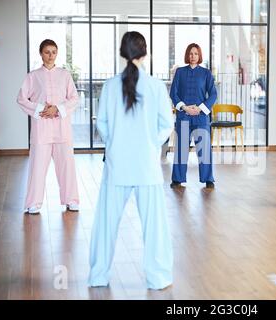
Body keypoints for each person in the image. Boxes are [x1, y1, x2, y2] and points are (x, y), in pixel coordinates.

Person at [88, 31, 174, 290]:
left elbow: (101, 123)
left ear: (122, 53)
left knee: (106, 223)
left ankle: (98, 276)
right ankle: (158, 278)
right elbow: (166, 125)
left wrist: (115, 143)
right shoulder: (156, 86)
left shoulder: (110, 86)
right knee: (154, 225)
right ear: (144, 53)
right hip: (147, 166)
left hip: (117, 165)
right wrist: (150, 145)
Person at [17, 39, 80, 215]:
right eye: (47, 52)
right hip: (41, 129)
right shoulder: (33, 76)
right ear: (41, 53)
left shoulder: (65, 75)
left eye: (54, 51)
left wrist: (57, 109)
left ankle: (71, 200)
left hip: (62, 128)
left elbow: (74, 98)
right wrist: (40, 109)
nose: (51, 55)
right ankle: (33, 202)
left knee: (66, 164)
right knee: (37, 165)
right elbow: (21, 99)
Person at [169, 43, 217, 189]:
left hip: (201, 117)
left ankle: (208, 178)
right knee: (181, 148)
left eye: (196, 54)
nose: (193, 56)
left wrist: (200, 109)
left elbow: (213, 94)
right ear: (187, 55)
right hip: (183, 115)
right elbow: (173, 93)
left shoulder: (206, 73)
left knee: (204, 149)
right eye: (190, 53)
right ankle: (177, 179)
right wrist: (184, 107)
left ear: (199, 55)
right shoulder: (179, 72)